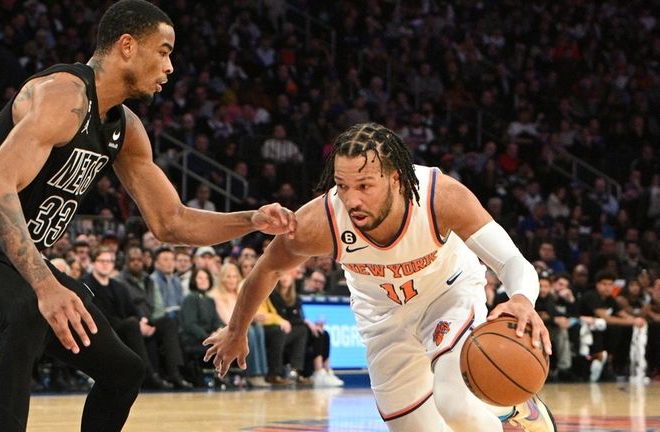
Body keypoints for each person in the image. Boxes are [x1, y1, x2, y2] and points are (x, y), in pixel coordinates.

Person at [0, 2, 295, 431]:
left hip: (8, 262)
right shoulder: (63, 94)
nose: (170, 66)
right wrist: (45, 284)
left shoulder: (125, 129)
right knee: (29, 308)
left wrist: (251, 219)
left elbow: (171, 222)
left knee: (123, 370)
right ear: (127, 46)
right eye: (164, 51)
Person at [205, 122, 555, 432]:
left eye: (365, 185)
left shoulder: (440, 196)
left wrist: (522, 299)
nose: (351, 199)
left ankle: (515, 413)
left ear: (396, 178)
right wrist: (237, 330)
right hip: (383, 319)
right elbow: (268, 268)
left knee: (457, 405)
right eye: (342, 185)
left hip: (447, 295)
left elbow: (510, 259)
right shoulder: (323, 220)